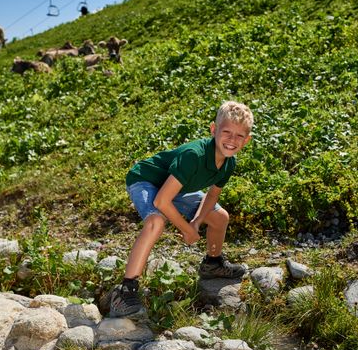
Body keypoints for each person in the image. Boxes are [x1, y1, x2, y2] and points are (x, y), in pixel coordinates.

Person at [109, 101, 254, 319]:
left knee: (220, 217)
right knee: (156, 221)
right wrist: (186, 229)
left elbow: (212, 195)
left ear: (247, 140)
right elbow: (161, 202)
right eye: (226, 132)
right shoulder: (193, 155)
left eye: (239, 136)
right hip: (146, 181)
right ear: (213, 130)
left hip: (175, 189)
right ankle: (125, 291)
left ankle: (212, 264)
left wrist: (196, 222)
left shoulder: (228, 162)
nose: (232, 141)